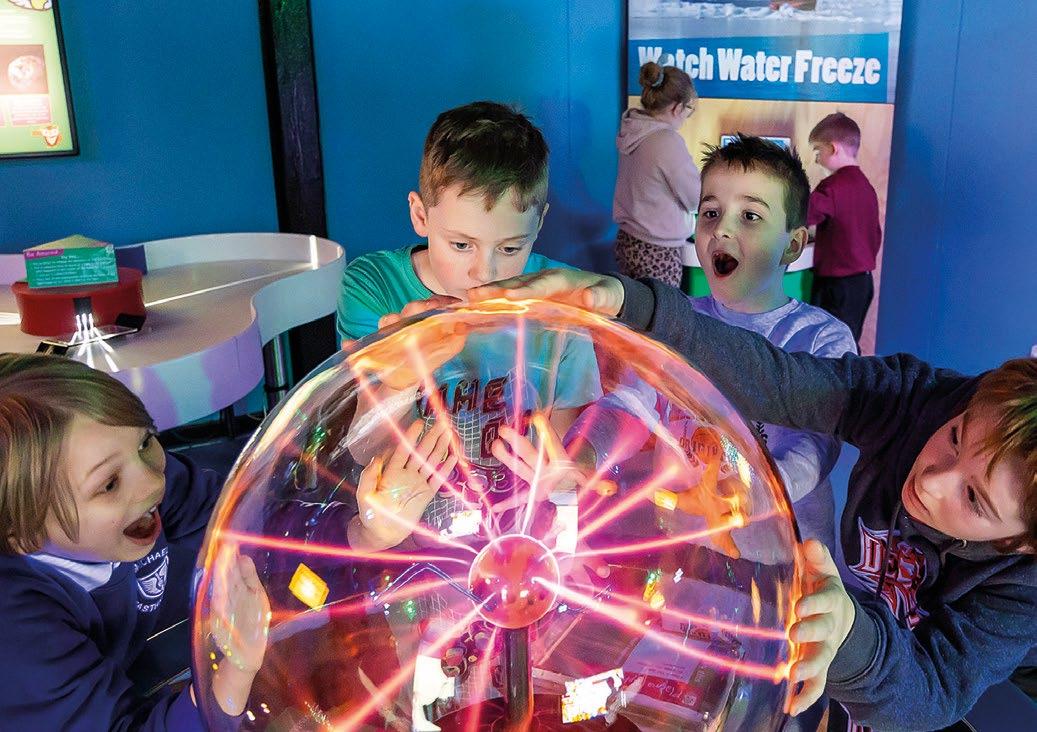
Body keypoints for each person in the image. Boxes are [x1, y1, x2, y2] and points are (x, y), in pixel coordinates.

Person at [465, 268, 1037, 730]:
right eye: (955, 438)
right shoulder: (924, 401)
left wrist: (852, 641)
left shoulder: (1024, 590)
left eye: (974, 497)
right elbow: (781, 380)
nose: (932, 480)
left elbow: (936, 689)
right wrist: (632, 306)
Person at [575, 135, 855, 553]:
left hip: (784, 559)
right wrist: (584, 452)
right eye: (710, 212)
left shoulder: (821, 337)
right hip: (686, 550)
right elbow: (632, 404)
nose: (721, 228)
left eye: (750, 216)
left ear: (793, 245)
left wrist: (755, 494)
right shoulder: (675, 322)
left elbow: (817, 445)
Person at [0, 353, 269, 730]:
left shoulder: (138, 484)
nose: (153, 482)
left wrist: (347, 528)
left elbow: (234, 516)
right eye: (109, 484)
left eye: (145, 442)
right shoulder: (17, 631)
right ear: (25, 533)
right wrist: (232, 674)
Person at [613, 61, 701, 287]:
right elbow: (695, 197)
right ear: (677, 107)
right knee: (662, 308)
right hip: (658, 250)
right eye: (688, 110)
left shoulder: (632, 129)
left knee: (634, 305)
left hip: (628, 240)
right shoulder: (667, 141)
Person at [807, 112, 882, 344]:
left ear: (833, 148)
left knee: (824, 345)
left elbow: (801, 217)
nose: (816, 160)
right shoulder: (866, 187)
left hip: (836, 287)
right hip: (861, 284)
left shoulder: (831, 187)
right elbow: (873, 235)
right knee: (847, 343)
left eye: (818, 151)